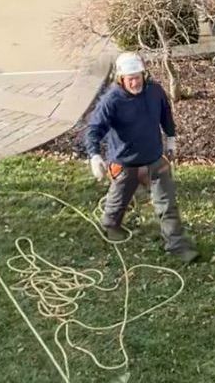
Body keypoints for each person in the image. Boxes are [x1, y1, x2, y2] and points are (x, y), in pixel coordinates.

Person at [84, 52, 198, 261]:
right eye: (130, 79)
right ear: (121, 79)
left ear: (144, 75)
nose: (135, 82)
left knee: (167, 203)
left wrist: (171, 138)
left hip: (155, 158)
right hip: (125, 163)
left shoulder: (154, 92)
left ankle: (177, 246)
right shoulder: (112, 100)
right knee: (118, 202)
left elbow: (166, 115)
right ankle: (111, 225)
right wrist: (94, 155)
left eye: (138, 77)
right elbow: (94, 129)